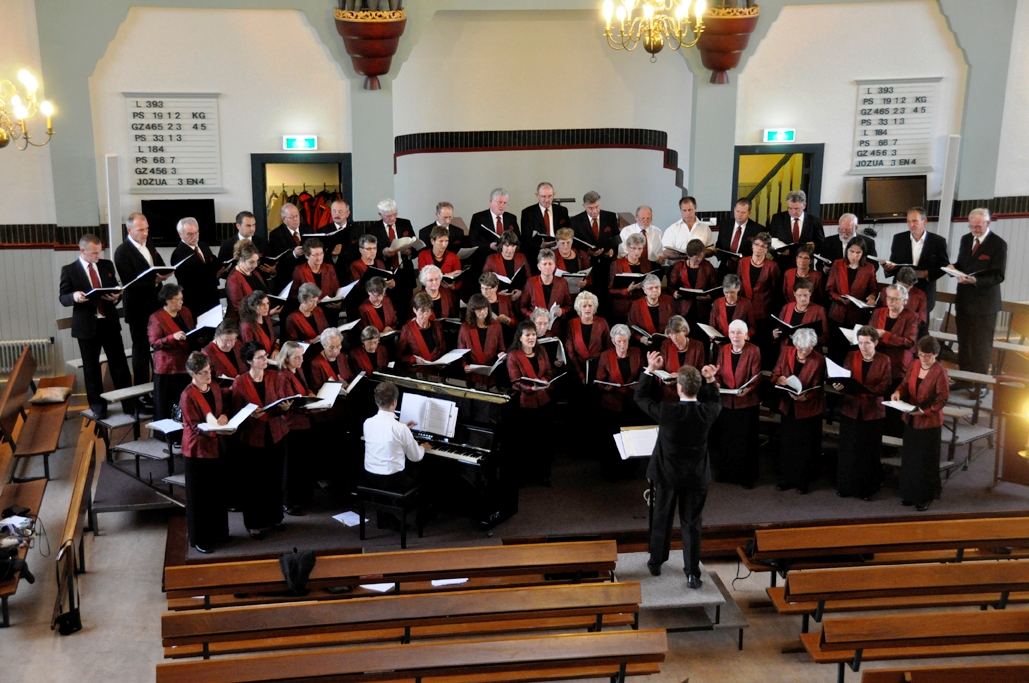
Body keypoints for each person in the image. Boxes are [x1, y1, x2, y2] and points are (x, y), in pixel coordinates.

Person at [634, 352, 721, 586]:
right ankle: (692, 573)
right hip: (696, 476)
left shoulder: (668, 412)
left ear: (679, 388)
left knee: (662, 517)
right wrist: (711, 379)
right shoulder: (707, 412)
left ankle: (656, 562)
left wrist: (650, 369)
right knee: (692, 523)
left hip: (667, 474)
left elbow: (640, 397)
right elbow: (716, 400)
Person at [58, 234, 133, 418]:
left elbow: (115, 288)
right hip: (86, 326)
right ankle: (98, 406)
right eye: (94, 253)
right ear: (82, 250)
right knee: (91, 368)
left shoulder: (106, 265)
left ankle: (129, 403)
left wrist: (116, 297)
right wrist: (75, 296)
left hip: (109, 322)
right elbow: (63, 297)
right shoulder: (70, 270)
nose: (98, 256)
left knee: (120, 364)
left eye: (99, 252)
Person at [231, 340, 292, 539]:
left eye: (265, 355)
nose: (266, 359)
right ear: (249, 361)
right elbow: (235, 412)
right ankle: (254, 523)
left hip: (275, 434)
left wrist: (285, 408)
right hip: (252, 438)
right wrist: (250, 415)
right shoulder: (240, 382)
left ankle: (275, 518)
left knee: (274, 479)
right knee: (254, 483)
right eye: (260, 357)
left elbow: (281, 402)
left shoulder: (274, 376)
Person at [951, 208, 1007, 395]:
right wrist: (952, 268)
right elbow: (963, 264)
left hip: (984, 304)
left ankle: (981, 385)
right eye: (971, 226)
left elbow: (998, 275)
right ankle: (964, 379)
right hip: (964, 300)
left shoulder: (998, 244)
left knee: (981, 346)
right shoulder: (966, 239)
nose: (974, 230)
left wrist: (976, 280)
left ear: (987, 223)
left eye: (978, 227)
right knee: (964, 343)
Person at [832, 326, 891, 500]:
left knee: (868, 452)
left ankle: (867, 489)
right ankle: (845, 486)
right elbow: (844, 378)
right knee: (848, 449)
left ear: (876, 343)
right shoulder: (852, 356)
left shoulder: (884, 360)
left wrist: (862, 391)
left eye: (867, 343)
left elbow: (884, 386)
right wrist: (840, 386)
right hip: (851, 408)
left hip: (873, 411)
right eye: (860, 343)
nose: (863, 347)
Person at [891, 336, 949, 511]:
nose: (923, 358)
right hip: (911, 419)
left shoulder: (940, 372)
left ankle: (924, 497)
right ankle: (909, 494)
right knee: (910, 459)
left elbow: (942, 400)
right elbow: (905, 383)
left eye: (927, 355)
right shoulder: (914, 364)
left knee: (925, 461)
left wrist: (924, 412)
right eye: (921, 354)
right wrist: (898, 393)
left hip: (929, 423)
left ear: (935, 354)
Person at [179, 351, 230, 553]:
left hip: (216, 446)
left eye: (209, 370)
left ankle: (219, 533)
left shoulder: (214, 386)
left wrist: (225, 416)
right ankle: (200, 538)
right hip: (197, 451)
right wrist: (218, 430)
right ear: (192, 374)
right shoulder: (187, 396)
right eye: (203, 372)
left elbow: (223, 409)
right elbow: (194, 426)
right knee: (199, 497)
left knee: (217, 492)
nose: (208, 375)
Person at [115, 212, 172, 386]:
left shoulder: (149, 243)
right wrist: (154, 281)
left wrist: (165, 273)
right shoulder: (122, 252)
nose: (145, 233)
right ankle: (141, 390)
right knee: (141, 349)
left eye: (147, 229)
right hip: (137, 307)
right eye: (141, 230)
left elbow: (160, 264)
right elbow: (129, 282)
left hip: (156, 303)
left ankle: (159, 385)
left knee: (160, 345)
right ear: (129, 230)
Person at [773, 328, 826, 494]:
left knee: (804, 446)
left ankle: (803, 481)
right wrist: (779, 379)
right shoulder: (786, 351)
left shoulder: (818, 360)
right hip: (788, 405)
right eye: (800, 348)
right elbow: (776, 373)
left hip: (808, 408)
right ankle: (786, 478)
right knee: (787, 443)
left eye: (807, 349)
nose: (803, 352)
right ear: (795, 344)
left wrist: (806, 396)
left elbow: (818, 386)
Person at [506, 320, 556, 486]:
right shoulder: (513, 355)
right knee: (526, 441)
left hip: (543, 401)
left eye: (533, 334)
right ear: (520, 338)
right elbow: (514, 381)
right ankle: (525, 476)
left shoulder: (541, 351)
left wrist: (544, 381)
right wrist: (530, 388)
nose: (531, 338)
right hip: (524, 404)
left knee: (543, 440)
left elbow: (549, 372)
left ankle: (543, 474)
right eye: (527, 335)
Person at [714, 320, 762, 488]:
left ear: (746, 335)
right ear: (728, 334)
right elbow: (718, 373)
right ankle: (726, 472)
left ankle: (746, 476)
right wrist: (717, 383)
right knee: (727, 439)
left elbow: (757, 376)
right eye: (732, 332)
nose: (735, 336)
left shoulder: (754, 350)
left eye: (739, 333)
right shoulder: (723, 349)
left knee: (745, 441)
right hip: (727, 402)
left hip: (746, 402)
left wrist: (749, 389)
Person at [363, 381, 429, 494]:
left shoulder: (367, 423)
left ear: (376, 401)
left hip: (370, 477)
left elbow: (385, 433)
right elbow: (415, 457)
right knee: (423, 471)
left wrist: (403, 428)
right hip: (393, 481)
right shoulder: (401, 429)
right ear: (394, 402)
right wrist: (422, 447)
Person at [597, 324, 644, 478]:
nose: (622, 345)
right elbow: (600, 380)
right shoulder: (606, 356)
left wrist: (639, 385)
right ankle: (612, 470)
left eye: (625, 341)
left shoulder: (636, 353)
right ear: (613, 341)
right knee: (612, 439)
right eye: (619, 342)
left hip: (631, 402)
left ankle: (630, 470)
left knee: (630, 437)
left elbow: (643, 374)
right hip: (612, 403)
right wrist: (606, 387)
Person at [277, 341, 317, 516]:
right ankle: (288, 501)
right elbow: (288, 403)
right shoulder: (282, 376)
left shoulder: (298, 370)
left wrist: (310, 394)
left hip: (304, 422)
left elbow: (304, 390)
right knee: (291, 465)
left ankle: (303, 496)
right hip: (292, 426)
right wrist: (311, 406)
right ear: (286, 358)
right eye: (297, 357)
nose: (301, 360)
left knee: (304, 462)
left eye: (302, 356)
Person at [884, 207, 949, 314]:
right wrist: (888, 269)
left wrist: (928, 273)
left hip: (924, 290)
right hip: (901, 290)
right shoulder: (899, 239)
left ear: (925, 221)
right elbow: (894, 262)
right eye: (908, 221)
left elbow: (944, 266)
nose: (911, 225)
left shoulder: (937, 241)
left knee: (921, 322)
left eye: (915, 221)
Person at [826, 235, 878, 360]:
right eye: (851, 251)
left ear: (863, 253)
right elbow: (829, 289)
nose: (854, 255)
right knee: (835, 350)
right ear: (847, 250)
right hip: (837, 314)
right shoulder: (838, 264)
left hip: (857, 316)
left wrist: (872, 297)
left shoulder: (869, 268)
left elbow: (873, 290)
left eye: (858, 252)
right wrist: (839, 298)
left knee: (852, 353)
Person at [148, 283, 195, 420]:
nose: (182, 302)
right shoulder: (156, 318)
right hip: (168, 368)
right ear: (168, 300)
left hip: (186, 364)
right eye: (178, 299)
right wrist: (172, 337)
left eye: (182, 299)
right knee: (168, 406)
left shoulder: (186, 312)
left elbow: (191, 331)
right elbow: (154, 343)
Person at [868, 284, 918, 386]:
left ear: (904, 301)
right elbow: (869, 332)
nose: (890, 301)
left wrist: (885, 335)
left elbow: (909, 342)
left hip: (897, 362)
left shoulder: (911, 316)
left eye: (895, 299)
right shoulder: (878, 312)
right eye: (888, 298)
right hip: (876, 358)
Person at [171, 217, 219, 317]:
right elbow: (188, 282)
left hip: (212, 297)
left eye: (196, 233)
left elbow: (213, 262)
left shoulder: (203, 245)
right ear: (180, 234)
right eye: (190, 234)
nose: (194, 237)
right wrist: (213, 275)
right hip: (195, 302)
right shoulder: (178, 254)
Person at [520, 248, 572, 337]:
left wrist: (562, 311)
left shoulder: (562, 282)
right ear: (538, 266)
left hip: (555, 329)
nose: (548, 267)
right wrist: (533, 315)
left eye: (550, 264)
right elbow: (522, 307)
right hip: (535, 329)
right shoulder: (531, 282)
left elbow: (569, 305)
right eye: (544, 264)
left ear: (555, 265)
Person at [768, 189, 825, 267]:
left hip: (804, 265)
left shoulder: (814, 221)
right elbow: (770, 241)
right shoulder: (778, 219)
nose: (793, 212)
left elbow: (822, 244)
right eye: (790, 208)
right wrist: (779, 252)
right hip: (782, 264)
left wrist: (814, 246)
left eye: (796, 209)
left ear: (804, 205)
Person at [291, 238, 341, 325]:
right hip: (310, 312)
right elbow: (293, 294)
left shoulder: (329, 268)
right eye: (315, 255)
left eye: (321, 254)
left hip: (329, 311)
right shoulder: (299, 270)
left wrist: (339, 302)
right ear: (307, 256)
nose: (319, 258)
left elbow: (337, 290)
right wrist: (308, 301)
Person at [564, 291, 611, 384]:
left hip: (599, 367)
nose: (587, 309)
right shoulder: (572, 323)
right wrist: (580, 373)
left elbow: (609, 347)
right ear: (579, 308)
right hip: (578, 367)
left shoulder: (602, 322)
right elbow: (570, 351)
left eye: (590, 305)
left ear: (594, 307)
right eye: (584, 306)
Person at [520, 182, 570, 265]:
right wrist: (540, 245)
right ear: (537, 195)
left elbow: (567, 232)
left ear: (554, 195)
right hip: (537, 253)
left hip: (559, 251)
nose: (547, 200)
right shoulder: (528, 213)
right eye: (543, 196)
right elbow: (525, 239)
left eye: (550, 196)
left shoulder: (562, 211)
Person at [670, 238, 717, 324]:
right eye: (696, 257)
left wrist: (710, 296)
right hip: (683, 308)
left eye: (701, 256)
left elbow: (714, 288)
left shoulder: (707, 266)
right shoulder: (678, 267)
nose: (699, 259)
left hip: (702, 309)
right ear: (688, 256)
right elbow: (671, 287)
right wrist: (674, 293)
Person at [659, 316, 706, 402]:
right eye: (671, 334)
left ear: (685, 331)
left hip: (689, 393)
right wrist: (664, 379)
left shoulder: (697, 346)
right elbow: (659, 370)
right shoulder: (666, 345)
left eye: (677, 334)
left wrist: (680, 376)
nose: (674, 338)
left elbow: (700, 372)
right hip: (669, 395)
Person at [772, 277, 828, 348]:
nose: (802, 299)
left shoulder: (819, 310)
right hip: (787, 349)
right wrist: (775, 335)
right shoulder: (786, 307)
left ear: (810, 293)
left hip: (806, 349)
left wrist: (807, 340)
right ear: (794, 294)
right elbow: (780, 328)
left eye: (805, 295)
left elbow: (825, 336)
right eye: (799, 295)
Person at [458, 293, 504, 376]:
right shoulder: (465, 328)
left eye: (485, 308)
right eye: (479, 309)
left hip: (492, 372)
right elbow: (461, 351)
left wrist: (501, 354)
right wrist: (464, 365)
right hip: (472, 372)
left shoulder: (496, 325)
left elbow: (501, 347)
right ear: (473, 310)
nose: (483, 312)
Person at [609, 233, 652, 321]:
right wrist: (628, 290)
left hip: (641, 306)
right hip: (623, 307)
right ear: (628, 247)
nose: (636, 252)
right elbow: (610, 290)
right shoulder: (617, 264)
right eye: (633, 248)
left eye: (640, 249)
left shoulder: (646, 263)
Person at [715, 198, 763, 277]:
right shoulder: (725, 225)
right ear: (734, 210)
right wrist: (720, 255)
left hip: (746, 270)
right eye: (737, 211)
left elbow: (759, 252)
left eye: (743, 212)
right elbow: (719, 244)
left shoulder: (757, 229)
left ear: (749, 213)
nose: (739, 215)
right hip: (725, 268)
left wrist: (743, 260)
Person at [268, 203, 308, 292]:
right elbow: (277, 260)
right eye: (291, 217)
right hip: (288, 278)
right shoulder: (276, 235)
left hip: (307, 276)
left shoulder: (308, 229)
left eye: (297, 215)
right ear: (283, 219)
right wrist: (294, 254)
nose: (295, 219)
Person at [398, 292, 447, 366]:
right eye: (422, 312)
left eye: (428, 311)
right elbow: (400, 356)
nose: (425, 315)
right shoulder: (407, 329)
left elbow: (443, 348)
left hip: (437, 367)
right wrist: (414, 359)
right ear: (415, 310)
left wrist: (442, 362)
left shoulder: (437, 326)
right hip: (418, 369)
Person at [470, 187, 520, 256]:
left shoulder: (511, 218)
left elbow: (517, 239)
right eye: (500, 202)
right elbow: (472, 242)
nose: (502, 205)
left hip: (507, 256)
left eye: (505, 203)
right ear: (491, 201)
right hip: (486, 256)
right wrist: (489, 246)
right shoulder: (478, 218)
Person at [225, 240, 268, 321]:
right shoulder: (233, 279)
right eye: (251, 262)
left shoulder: (255, 273)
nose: (255, 265)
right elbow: (239, 308)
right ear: (241, 260)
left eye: (257, 261)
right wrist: (266, 311)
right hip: (242, 321)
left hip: (259, 316)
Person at [628, 274, 674, 346]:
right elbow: (631, 327)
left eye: (657, 287)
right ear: (644, 290)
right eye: (650, 288)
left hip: (666, 343)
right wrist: (641, 339)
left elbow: (675, 322)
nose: (654, 290)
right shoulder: (636, 304)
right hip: (643, 344)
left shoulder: (668, 301)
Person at [662, 196, 714, 261]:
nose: (687, 213)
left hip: (699, 265)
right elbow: (665, 252)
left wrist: (700, 254)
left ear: (695, 208)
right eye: (684, 210)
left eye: (690, 210)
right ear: (680, 210)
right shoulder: (672, 229)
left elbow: (711, 249)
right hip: (678, 265)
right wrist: (684, 256)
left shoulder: (705, 228)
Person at [483, 230, 529, 299]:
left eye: (513, 246)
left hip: (519, 299)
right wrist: (497, 293)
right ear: (501, 245)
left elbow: (529, 279)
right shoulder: (492, 259)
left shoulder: (521, 257)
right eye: (507, 246)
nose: (510, 249)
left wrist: (521, 291)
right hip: (499, 299)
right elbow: (484, 282)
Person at [203, 320, 244, 387]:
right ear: (216, 337)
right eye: (225, 341)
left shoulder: (237, 344)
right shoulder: (207, 354)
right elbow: (208, 382)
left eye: (233, 340)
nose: (229, 344)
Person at [479, 272, 518, 338]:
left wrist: (507, 320)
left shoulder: (505, 301)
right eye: (482, 288)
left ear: (496, 288)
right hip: (487, 337)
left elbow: (516, 322)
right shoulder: (478, 302)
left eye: (487, 288)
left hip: (506, 335)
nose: (484, 291)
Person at [239, 291, 278, 357]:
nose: (267, 307)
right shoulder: (247, 327)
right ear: (253, 307)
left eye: (267, 303)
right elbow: (251, 353)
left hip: (272, 357)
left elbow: (273, 339)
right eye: (262, 305)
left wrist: (276, 349)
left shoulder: (266, 318)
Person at [894, 266, 928, 335]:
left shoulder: (920, 295)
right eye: (900, 286)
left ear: (913, 284)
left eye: (906, 287)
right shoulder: (887, 291)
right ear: (896, 281)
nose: (903, 289)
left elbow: (921, 317)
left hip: (910, 327)